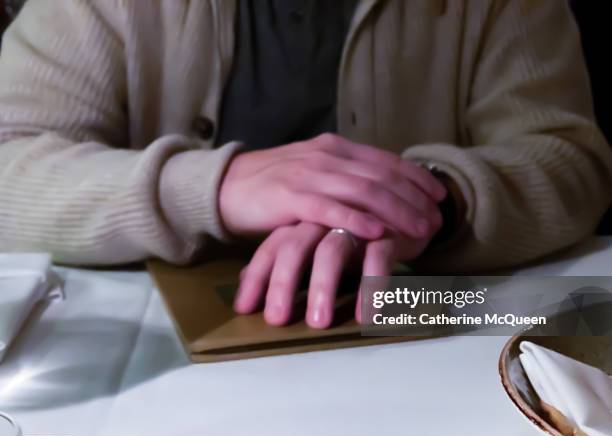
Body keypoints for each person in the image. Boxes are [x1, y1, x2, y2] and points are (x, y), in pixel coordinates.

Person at [0, 0, 610, 329]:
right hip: (145, 366)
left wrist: (433, 200)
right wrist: (215, 187)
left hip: (420, 339)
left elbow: (570, 161)